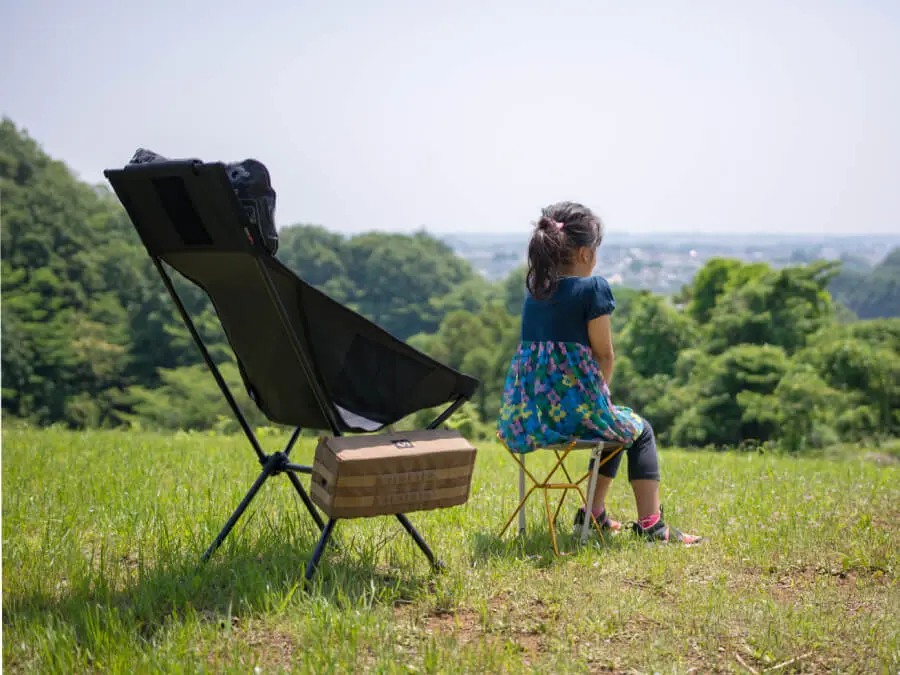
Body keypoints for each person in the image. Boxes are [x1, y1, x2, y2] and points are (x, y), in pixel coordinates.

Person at [497, 201, 701, 544]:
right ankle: (652, 525)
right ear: (584, 253)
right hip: (575, 419)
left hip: (531, 421)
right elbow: (604, 355)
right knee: (639, 431)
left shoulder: (535, 295)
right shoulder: (593, 290)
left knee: (613, 428)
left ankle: (592, 514)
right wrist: (596, 396)